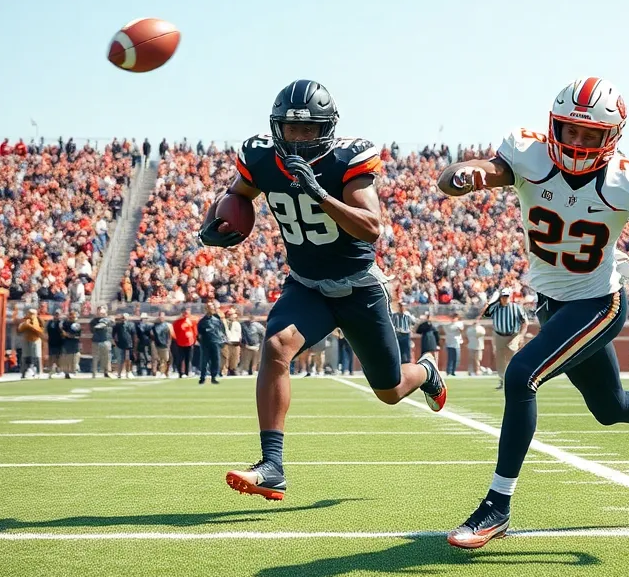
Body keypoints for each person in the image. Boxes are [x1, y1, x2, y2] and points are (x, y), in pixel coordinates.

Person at [436, 76, 629, 548]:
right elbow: (473, 173)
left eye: (591, 135)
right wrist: (461, 176)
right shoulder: (529, 156)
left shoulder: (624, 182)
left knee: (521, 375)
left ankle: (496, 507)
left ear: (612, 138)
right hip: (552, 303)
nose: (578, 142)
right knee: (609, 407)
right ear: (554, 126)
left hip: (599, 303)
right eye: (571, 130)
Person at [198, 80, 446, 501]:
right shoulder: (260, 157)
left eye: (308, 129)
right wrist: (211, 227)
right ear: (277, 127)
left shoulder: (346, 161)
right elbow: (235, 194)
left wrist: (319, 192)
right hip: (306, 284)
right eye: (291, 129)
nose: (298, 138)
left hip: (358, 287)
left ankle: (424, 371)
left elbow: (371, 227)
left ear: (326, 129)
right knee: (276, 347)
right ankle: (272, 465)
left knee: (389, 391)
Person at [482, 288, 526, 390]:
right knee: (500, 359)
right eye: (503, 297)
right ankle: (503, 380)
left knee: (512, 358)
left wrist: (520, 336)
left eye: (507, 297)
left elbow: (525, 322)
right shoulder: (495, 307)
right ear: (500, 297)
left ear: (510, 297)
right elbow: (484, 314)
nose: (505, 299)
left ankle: (514, 380)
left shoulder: (516, 307)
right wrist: (491, 302)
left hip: (513, 335)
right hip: (499, 335)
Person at [195, 300, 225, 385]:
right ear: (206, 309)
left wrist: (221, 340)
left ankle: (214, 377)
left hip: (215, 343)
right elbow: (199, 334)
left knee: (216, 360)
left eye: (212, 307)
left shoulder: (217, 320)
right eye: (209, 308)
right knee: (204, 361)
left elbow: (221, 331)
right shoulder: (202, 321)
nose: (211, 309)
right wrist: (201, 342)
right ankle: (202, 377)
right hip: (205, 344)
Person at [18, 308, 44, 379]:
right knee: (25, 356)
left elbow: (41, 331)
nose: (31, 315)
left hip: (35, 340)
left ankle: (39, 372)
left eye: (32, 314)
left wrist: (31, 326)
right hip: (26, 340)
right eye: (29, 314)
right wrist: (24, 325)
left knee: (37, 356)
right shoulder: (25, 320)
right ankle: (24, 373)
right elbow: (19, 330)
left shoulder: (39, 320)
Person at [89, 305, 114, 378]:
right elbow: (92, 330)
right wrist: (100, 324)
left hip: (106, 340)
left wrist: (106, 320)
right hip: (96, 341)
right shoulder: (94, 321)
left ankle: (106, 372)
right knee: (95, 357)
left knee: (107, 357)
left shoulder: (108, 319)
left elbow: (112, 325)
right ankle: (94, 373)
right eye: (100, 310)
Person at [171, 308, 196, 378]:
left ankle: (187, 372)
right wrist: (178, 339)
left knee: (189, 358)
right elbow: (174, 331)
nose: (186, 314)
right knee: (181, 358)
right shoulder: (178, 322)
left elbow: (194, 331)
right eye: (185, 313)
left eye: (187, 313)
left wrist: (194, 339)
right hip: (181, 343)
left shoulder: (192, 321)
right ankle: (180, 373)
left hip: (190, 343)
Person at [113, 312, 136, 379]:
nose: (124, 319)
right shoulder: (118, 325)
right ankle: (119, 373)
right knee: (120, 359)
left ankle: (128, 372)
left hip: (129, 345)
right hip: (120, 345)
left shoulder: (131, 325)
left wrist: (133, 345)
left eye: (125, 318)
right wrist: (115, 343)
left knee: (128, 359)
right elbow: (113, 335)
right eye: (123, 318)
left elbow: (134, 335)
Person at [60, 311, 82, 378]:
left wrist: (68, 335)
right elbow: (62, 333)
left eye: (73, 315)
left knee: (74, 358)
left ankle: (74, 371)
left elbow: (77, 335)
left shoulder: (77, 325)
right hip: (66, 343)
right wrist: (63, 333)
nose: (72, 317)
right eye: (70, 315)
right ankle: (66, 373)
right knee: (66, 358)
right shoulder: (65, 323)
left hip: (74, 343)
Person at [151, 311, 173, 377]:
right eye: (160, 316)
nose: (162, 317)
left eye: (163, 316)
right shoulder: (154, 326)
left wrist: (168, 344)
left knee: (166, 359)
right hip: (156, 344)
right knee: (157, 359)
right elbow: (152, 335)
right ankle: (158, 372)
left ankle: (164, 372)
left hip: (165, 345)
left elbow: (169, 336)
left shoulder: (167, 325)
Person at [45, 309, 64, 380]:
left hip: (59, 342)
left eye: (58, 314)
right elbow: (46, 331)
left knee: (58, 357)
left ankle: (59, 370)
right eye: (56, 314)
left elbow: (63, 332)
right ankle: (51, 371)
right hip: (51, 342)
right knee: (51, 357)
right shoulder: (50, 322)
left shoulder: (61, 322)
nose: (57, 316)